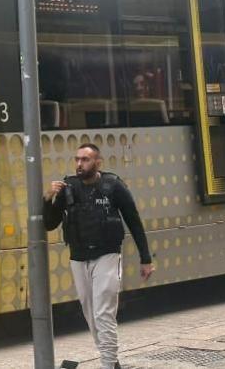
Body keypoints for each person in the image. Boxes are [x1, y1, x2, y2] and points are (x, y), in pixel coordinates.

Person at [44, 143, 155, 369]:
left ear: (97, 162)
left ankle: (106, 365)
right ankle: (112, 363)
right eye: (77, 159)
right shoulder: (68, 187)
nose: (79, 164)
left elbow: (133, 220)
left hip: (107, 255)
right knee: (90, 313)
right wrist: (48, 198)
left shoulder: (113, 185)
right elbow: (49, 223)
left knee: (103, 312)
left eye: (85, 159)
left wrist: (146, 258)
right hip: (78, 257)